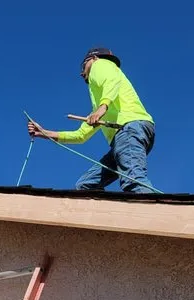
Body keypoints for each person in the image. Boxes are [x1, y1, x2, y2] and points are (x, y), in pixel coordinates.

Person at [28, 47, 158, 193]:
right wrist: (44, 133)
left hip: (129, 129)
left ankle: (155, 207)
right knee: (85, 185)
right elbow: (80, 135)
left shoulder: (101, 64)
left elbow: (111, 80)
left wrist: (102, 107)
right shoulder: (100, 107)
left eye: (84, 65)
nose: (81, 72)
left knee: (133, 180)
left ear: (94, 58)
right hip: (127, 135)